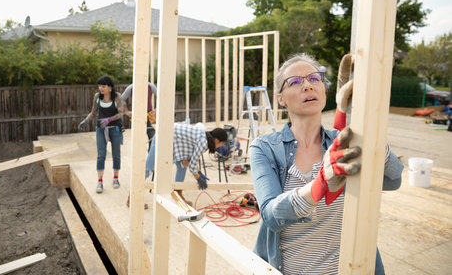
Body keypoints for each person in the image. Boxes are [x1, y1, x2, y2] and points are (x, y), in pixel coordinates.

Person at [249, 53, 404, 274]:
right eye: (294, 82)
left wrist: (369, 132)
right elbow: (272, 215)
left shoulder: (343, 139)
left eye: (314, 79)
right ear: (281, 98)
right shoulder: (264, 148)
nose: (307, 86)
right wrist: (319, 183)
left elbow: (392, 180)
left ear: (324, 89)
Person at [145, 123, 227, 203]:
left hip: (175, 139)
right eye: (221, 143)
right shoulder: (204, 143)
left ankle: (177, 195)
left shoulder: (206, 136)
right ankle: (133, 195)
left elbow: (191, 159)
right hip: (164, 135)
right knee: (149, 167)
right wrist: (198, 177)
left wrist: (198, 172)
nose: (221, 146)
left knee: (182, 167)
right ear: (216, 140)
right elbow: (192, 164)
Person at [79, 75, 125, 194]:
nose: (101, 88)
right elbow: (94, 112)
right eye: (99, 86)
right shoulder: (97, 97)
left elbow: (121, 113)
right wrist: (85, 121)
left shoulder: (117, 97)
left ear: (110, 87)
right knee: (101, 154)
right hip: (101, 128)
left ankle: (116, 178)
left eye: (103, 86)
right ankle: (100, 181)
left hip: (115, 128)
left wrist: (109, 120)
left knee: (116, 154)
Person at [120, 82, 157, 149]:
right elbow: (121, 99)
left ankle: (150, 155)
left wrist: (156, 109)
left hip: (148, 114)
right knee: (139, 137)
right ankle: (140, 156)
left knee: (152, 136)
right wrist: (127, 111)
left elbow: (160, 96)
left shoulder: (151, 86)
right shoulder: (131, 88)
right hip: (137, 115)